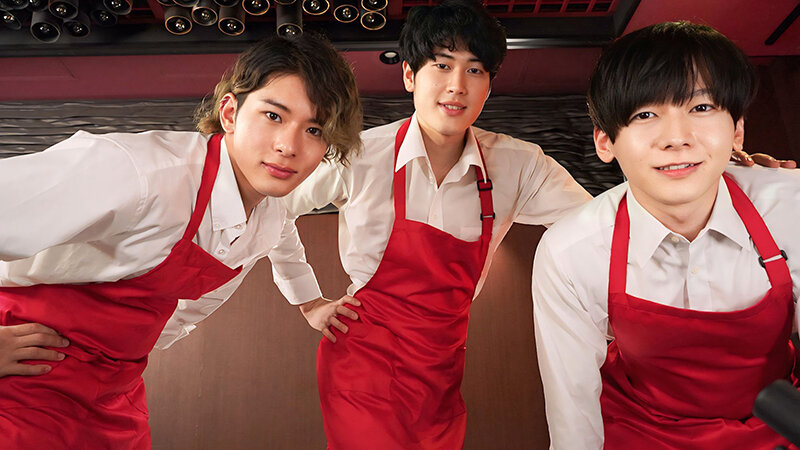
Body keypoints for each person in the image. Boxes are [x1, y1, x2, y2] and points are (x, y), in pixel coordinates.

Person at [0, 33, 361, 448]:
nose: (288, 146)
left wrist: (310, 303)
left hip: (115, 391)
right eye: (273, 116)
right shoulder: (141, 175)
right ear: (230, 112)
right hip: (24, 377)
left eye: (314, 129)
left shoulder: (269, 215)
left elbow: (284, 243)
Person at [532, 21, 799, 449]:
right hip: (641, 431)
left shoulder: (790, 205)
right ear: (605, 142)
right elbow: (574, 410)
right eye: (645, 114)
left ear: (737, 130)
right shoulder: (570, 251)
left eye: (701, 107)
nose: (676, 138)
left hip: (778, 419)